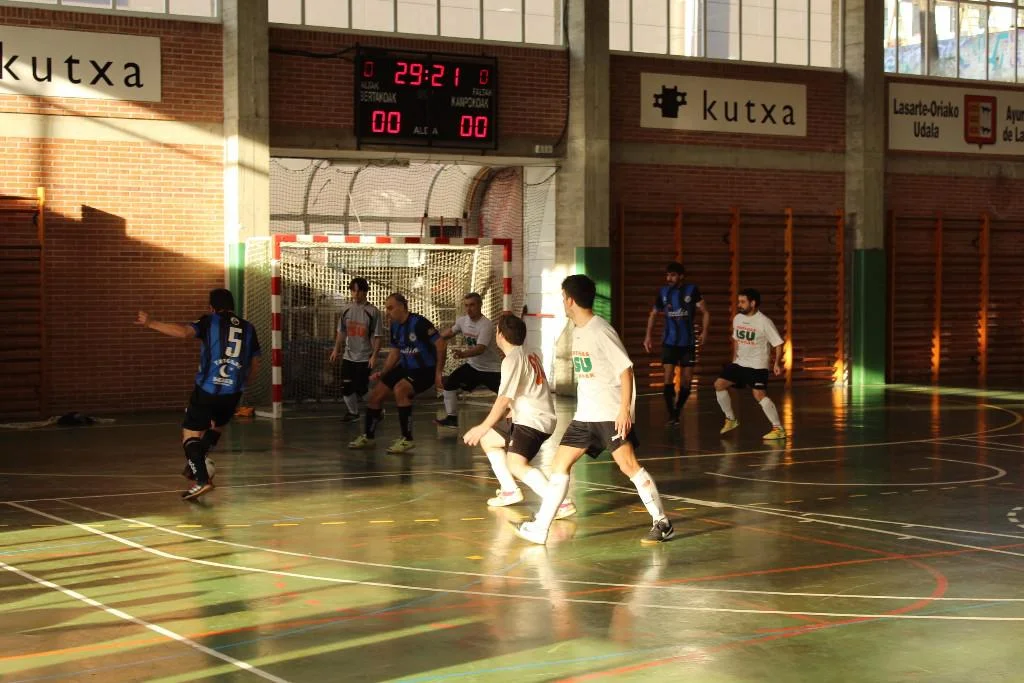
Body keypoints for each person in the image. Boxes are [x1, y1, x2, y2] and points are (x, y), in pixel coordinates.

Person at [512, 275, 675, 546]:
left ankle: (663, 523)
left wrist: (624, 410)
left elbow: (626, 370)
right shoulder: (577, 330)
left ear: (570, 300)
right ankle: (540, 528)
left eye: (563, 297)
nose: (562, 302)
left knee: (629, 466)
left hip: (609, 414)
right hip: (585, 416)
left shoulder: (601, 330)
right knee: (559, 465)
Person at [135, 288, 261, 500]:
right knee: (216, 427)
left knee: (190, 435)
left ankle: (202, 480)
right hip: (233, 392)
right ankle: (196, 464)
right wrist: (244, 383)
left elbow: (184, 333)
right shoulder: (249, 327)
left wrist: (151, 323)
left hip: (208, 389)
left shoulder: (209, 321)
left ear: (211, 307)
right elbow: (255, 362)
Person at [462, 313, 576, 520]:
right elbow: (522, 391)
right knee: (489, 440)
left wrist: (482, 426)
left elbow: (503, 399)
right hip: (530, 416)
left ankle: (561, 502)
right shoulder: (528, 353)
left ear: (500, 335)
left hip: (532, 421)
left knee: (516, 464)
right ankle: (509, 490)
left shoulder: (512, 360)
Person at [348, 293, 440, 454]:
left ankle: (407, 439)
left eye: (390, 308)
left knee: (400, 389)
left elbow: (442, 344)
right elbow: (395, 352)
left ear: (402, 306)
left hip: (424, 370)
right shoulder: (395, 326)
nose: (387, 312)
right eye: (386, 308)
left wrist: (438, 373)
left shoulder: (419, 323)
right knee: (375, 395)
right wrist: (383, 372)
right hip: (405, 367)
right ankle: (369, 437)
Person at [715, 287, 787, 440]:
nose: (739, 305)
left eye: (743, 302)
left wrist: (776, 363)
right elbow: (736, 340)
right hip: (740, 363)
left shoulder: (764, 322)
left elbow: (778, 344)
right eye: (739, 302)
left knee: (759, 394)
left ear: (753, 303)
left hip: (757, 365)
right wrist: (734, 359)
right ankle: (731, 419)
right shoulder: (737, 318)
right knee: (719, 384)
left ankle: (778, 428)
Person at [643, 262, 710, 425]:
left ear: (681, 276)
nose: (669, 278)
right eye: (667, 275)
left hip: (688, 343)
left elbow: (705, 312)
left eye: (672, 275)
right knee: (667, 377)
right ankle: (672, 414)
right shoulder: (663, 292)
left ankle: (677, 410)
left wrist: (704, 331)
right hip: (669, 342)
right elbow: (653, 314)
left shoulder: (692, 290)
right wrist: (648, 336)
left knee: (686, 381)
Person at [434, 293, 502, 429]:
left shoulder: (486, 325)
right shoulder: (462, 321)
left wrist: (463, 354)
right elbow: (450, 332)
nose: (469, 309)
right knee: (449, 384)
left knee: (506, 394)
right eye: (466, 306)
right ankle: (452, 419)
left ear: (480, 305)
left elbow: (480, 349)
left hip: (491, 369)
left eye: (472, 305)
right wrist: (435, 339)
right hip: (473, 367)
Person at [329, 277, 384, 422]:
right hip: (348, 356)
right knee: (346, 387)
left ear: (365, 292)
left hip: (364, 356)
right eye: (353, 291)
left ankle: (377, 408)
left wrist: (374, 355)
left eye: (359, 291)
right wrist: (336, 349)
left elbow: (378, 336)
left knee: (361, 388)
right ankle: (353, 413)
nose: (356, 294)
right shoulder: (346, 310)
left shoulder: (373, 312)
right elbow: (341, 331)